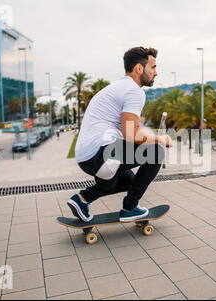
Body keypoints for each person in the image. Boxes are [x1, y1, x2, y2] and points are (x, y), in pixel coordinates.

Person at [67, 47, 172, 223]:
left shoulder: (117, 87)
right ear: (139, 68)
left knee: (131, 182)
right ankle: (130, 209)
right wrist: (160, 138)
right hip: (100, 154)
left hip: (86, 157)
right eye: (153, 67)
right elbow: (131, 134)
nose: (156, 73)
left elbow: (128, 132)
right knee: (155, 152)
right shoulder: (134, 91)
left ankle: (82, 199)